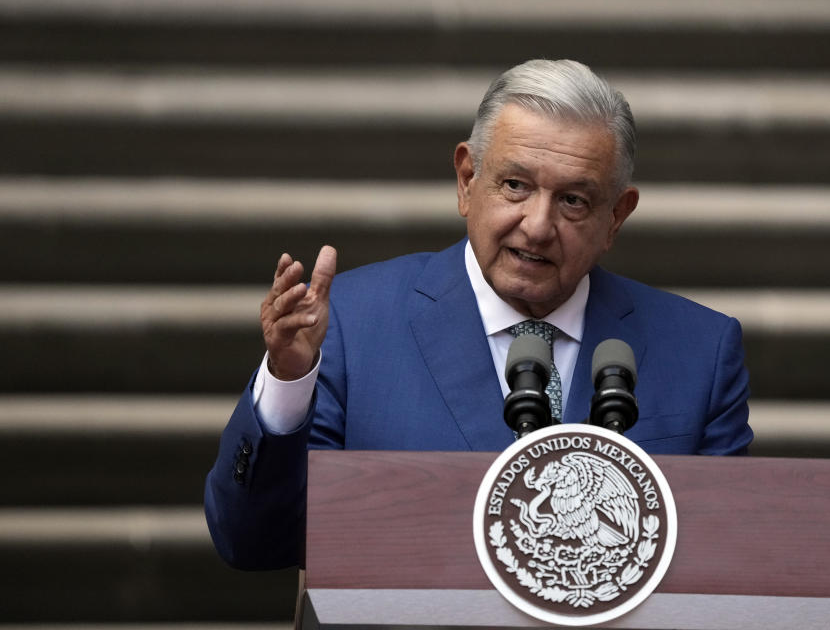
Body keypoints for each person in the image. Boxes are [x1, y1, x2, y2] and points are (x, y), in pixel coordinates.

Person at [204, 59, 752, 570]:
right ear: (467, 180)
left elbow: (730, 563)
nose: (537, 225)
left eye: (574, 201)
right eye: (515, 185)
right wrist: (288, 383)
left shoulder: (701, 352)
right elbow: (253, 541)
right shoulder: (353, 323)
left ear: (617, 216)